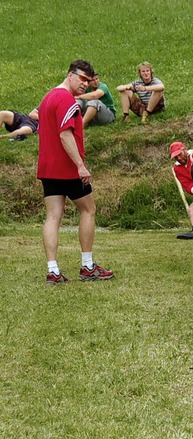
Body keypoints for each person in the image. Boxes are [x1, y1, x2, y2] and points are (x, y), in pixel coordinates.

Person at [37, 59, 113, 284]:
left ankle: (53, 270)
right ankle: (88, 266)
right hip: (68, 169)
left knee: (53, 217)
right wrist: (80, 165)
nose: (85, 84)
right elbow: (65, 134)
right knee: (88, 210)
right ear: (70, 75)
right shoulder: (66, 99)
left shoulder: (47, 97)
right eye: (81, 78)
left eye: (89, 81)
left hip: (47, 168)